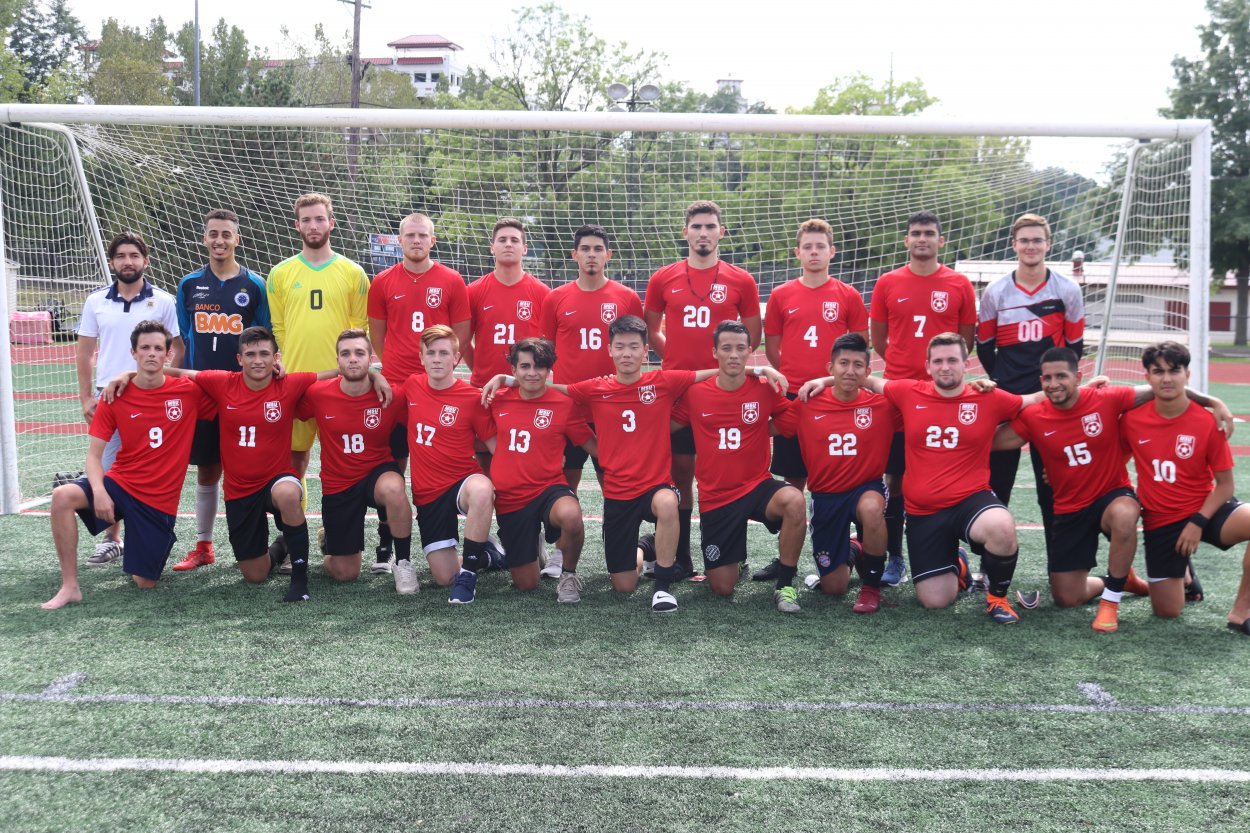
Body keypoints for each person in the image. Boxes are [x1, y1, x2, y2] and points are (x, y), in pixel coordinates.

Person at [807, 332, 1040, 623]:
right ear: (928, 366)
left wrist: (1082, 391)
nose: (946, 366)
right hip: (923, 511)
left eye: (953, 360)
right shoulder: (909, 391)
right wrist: (822, 381)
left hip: (970, 499)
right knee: (935, 601)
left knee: (1002, 526)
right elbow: (861, 378)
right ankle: (959, 564)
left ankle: (997, 599)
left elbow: (1030, 402)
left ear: (965, 364)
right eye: (938, 361)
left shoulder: (987, 397)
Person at [43, 321, 207, 610]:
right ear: (133, 352)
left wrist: (129, 373)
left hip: (157, 501)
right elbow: (94, 456)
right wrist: (99, 490)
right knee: (62, 496)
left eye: (159, 348)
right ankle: (70, 586)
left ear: (169, 355)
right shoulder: (114, 395)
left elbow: (228, 383)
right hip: (120, 484)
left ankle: (145, 541)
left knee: (145, 582)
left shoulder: (188, 392)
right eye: (145, 348)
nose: (151, 354)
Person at [644, 200, 762, 576]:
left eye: (710, 226)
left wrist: (721, 370)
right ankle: (680, 558)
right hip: (678, 392)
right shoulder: (663, 277)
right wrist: (678, 362)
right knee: (680, 474)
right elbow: (651, 330)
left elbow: (752, 337)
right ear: (686, 232)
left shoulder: (741, 280)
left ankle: (734, 555)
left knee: (729, 475)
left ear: (721, 233)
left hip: (724, 392)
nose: (703, 233)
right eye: (696, 226)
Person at [753, 217, 868, 583]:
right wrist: (797, 381)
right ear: (798, 252)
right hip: (795, 399)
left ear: (831, 252)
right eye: (808, 246)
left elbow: (859, 350)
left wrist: (831, 380)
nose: (814, 252)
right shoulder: (782, 294)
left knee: (837, 476)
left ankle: (847, 554)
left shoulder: (847, 295)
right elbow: (773, 349)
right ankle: (785, 559)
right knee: (793, 481)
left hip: (837, 398)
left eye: (821, 246)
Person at [867, 211, 977, 586]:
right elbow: (880, 339)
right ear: (906, 240)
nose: (922, 239)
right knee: (894, 479)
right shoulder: (887, 282)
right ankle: (896, 558)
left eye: (929, 233)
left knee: (945, 474)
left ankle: (950, 553)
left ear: (940, 241)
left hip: (944, 396)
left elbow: (966, 341)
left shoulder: (959, 284)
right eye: (915, 233)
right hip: (900, 394)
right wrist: (906, 368)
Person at [671, 321, 805, 611]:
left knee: (794, 500)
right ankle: (736, 558)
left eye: (740, 348)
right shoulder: (695, 393)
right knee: (722, 588)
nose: (734, 354)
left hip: (757, 486)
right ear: (715, 352)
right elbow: (670, 423)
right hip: (717, 497)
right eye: (727, 348)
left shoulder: (764, 389)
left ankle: (784, 584)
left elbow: (788, 422)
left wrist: (760, 428)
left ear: (750, 351)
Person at [1121, 341, 1250, 632]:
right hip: (1161, 521)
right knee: (1167, 612)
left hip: (1207, 511)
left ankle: (1241, 612)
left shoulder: (1206, 422)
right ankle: (1186, 575)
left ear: (1187, 375)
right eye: (1158, 371)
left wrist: (1197, 522)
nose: (1167, 378)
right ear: (1147, 378)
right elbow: (1111, 459)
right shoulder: (1131, 421)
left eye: (1174, 371)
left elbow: (1226, 486)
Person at [978, 213, 1085, 562]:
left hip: (1052, 404)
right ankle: (987, 569)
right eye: (1024, 240)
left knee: (1053, 485)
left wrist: (1052, 387)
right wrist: (1008, 384)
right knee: (997, 484)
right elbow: (985, 347)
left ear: (1048, 244)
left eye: (1037, 240)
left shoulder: (1068, 290)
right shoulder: (996, 291)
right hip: (1008, 401)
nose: (1031, 246)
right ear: (1014, 244)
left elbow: (1074, 348)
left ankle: (1061, 565)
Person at [538, 224, 643, 577]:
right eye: (585, 248)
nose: (592, 254)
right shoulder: (556, 298)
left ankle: (622, 552)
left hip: (611, 410)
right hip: (568, 410)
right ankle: (559, 553)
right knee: (563, 484)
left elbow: (636, 349)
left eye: (598, 248)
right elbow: (544, 353)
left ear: (608, 255)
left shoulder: (626, 297)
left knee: (614, 483)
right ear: (575, 255)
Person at [368, 212, 471, 569]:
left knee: (448, 462)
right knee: (393, 466)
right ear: (400, 240)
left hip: (440, 389)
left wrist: (437, 372)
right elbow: (378, 336)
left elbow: (460, 334)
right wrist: (395, 369)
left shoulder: (451, 280)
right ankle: (387, 545)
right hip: (397, 389)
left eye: (422, 235)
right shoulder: (382, 281)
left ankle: (475, 535)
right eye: (409, 235)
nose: (415, 240)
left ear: (433, 240)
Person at [75, 231, 182, 568]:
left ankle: (146, 534)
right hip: (109, 396)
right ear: (111, 262)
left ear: (145, 261)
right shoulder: (96, 302)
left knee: (147, 466)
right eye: (121, 256)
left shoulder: (163, 301)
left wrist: (169, 386)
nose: (127, 261)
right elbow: (84, 351)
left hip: (151, 397)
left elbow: (177, 347)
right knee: (107, 470)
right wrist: (85, 397)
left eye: (134, 255)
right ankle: (112, 539)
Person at [171, 208, 270, 572]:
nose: (219, 240)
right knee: (208, 469)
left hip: (245, 393)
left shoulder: (254, 285)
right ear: (204, 238)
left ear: (237, 239)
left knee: (250, 469)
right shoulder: (188, 285)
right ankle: (204, 545)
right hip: (204, 393)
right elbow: (183, 340)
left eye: (226, 234)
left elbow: (265, 339)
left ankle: (259, 545)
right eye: (213, 233)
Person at [774, 333, 899, 614]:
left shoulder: (881, 404)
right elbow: (773, 426)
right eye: (843, 363)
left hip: (865, 488)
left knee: (871, 509)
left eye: (858, 365)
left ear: (868, 372)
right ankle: (855, 547)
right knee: (834, 587)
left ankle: (871, 587)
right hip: (826, 497)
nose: (850, 370)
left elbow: (915, 397)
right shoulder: (808, 402)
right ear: (830, 368)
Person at [267, 193, 370, 521]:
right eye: (307, 220)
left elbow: (360, 330)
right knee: (294, 461)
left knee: (339, 460)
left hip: (339, 383)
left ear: (331, 223)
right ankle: (293, 537)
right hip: (295, 382)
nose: (313, 225)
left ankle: (333, 527)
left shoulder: (353, 273)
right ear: (297, 225)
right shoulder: (280, 274)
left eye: (319, 219)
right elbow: (278, 328)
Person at [296, 330, 412, 589]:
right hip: (339, 483)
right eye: (345, 354)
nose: (352, 359)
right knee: (345, 573)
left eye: (359, 353)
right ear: (337, 360)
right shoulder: (319, 393)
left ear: (370, 358)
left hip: (377, 473)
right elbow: (284, 397)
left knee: (394, 488)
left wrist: (376, 376)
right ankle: (331, 541)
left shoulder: (391, 395)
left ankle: (404, 563)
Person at [482, 337, 595, 603]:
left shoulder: (563, 404)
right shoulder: (496, 399)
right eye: (525, 366)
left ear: (549, 370)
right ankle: (529, 542)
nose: (532, 373)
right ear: (513, 370)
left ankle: (568, 576)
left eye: (540, 367)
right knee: (526, 584)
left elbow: (591, 444)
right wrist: (500, 380)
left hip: (548, 489)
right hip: (511, 499)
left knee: (571, 515)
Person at [402, 325, 498, 605]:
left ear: (456, 358)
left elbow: (496, 448)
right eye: (430, 353)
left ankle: (468, 575)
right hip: (428, 494)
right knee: (444, 577)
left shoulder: (472, 397)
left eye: (444, 353)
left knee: (482, 489)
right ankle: (488, 554)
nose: (437, 359)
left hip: (461, 482)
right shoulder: (412, 385)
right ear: (421, 358)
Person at [467, 218, 551, 389]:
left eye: (514, 240)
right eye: (502, 240)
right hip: (484, 387)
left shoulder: (543, 292)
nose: (508, 244)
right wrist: (479, 369)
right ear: (492, 247)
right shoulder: (473, 291)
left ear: (525, 249)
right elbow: (462, 341)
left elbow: (549, 344)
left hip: (526, 388)